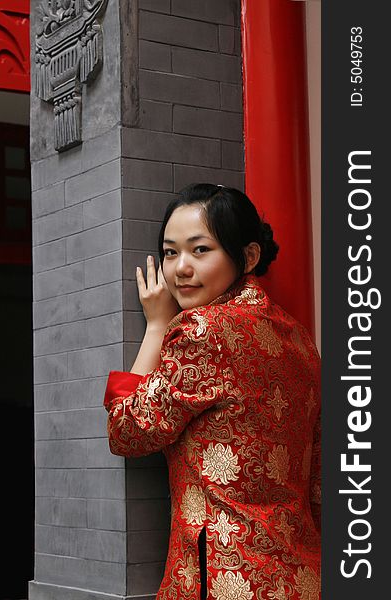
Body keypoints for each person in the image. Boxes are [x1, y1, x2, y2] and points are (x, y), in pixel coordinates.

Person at [103, 183, 321, 600]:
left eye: (200, 250)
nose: (180, 268)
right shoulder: (300, 339)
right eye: (170, 252)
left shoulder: (201, 330)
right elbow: (318, 478)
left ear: (249, 256)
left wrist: (155, 327)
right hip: (302, 574)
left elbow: (127, 432)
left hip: (222, 576)